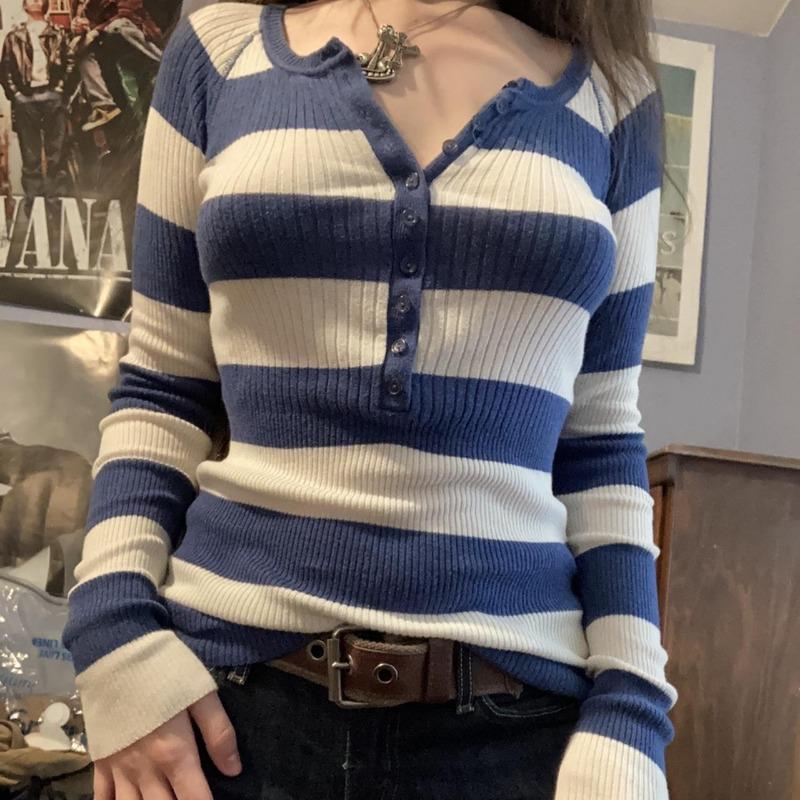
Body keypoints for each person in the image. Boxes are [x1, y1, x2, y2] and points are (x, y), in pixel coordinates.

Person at [61, 1, 679, 798]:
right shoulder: (220, 51)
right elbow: (162, 386)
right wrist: (112, 633)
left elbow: (600, 441)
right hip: (228, 713)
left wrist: (632, 709)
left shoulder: (613, 97)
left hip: (515, 736)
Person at [0, 0, 75, 218]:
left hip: (52, 97)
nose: (34, 0)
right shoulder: (14, 36)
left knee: (56, 155)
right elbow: (5, 69)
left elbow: (70, 62)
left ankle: (55, 208)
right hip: (26, 99)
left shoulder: (57, 34)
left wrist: (60, 90)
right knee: (30, 157)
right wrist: (17, 96)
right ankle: (33, 210)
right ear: (24, 5)